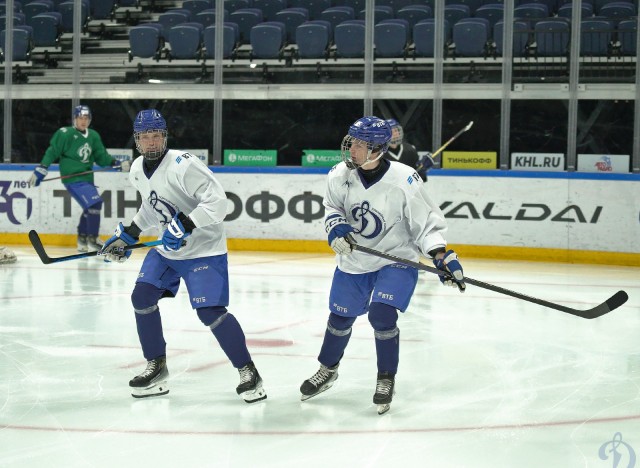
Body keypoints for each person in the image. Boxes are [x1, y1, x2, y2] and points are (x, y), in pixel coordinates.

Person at [98, 109, 267, 403]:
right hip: (167, 251)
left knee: (209, 312)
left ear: (164, 136)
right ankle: (157, 367)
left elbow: (219, 203)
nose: (151, 142)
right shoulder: (137, 169)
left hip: (203, 250)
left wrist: (186, 223)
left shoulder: (183, 164)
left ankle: (248, 371)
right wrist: (131, 233)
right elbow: (153, 207)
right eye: (145, 137)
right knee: (142, 297)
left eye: (156, 136)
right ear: (137, 140)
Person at [299, 116, 465, 415]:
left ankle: (385, 377)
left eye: (360, 145)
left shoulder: (405, 179)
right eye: (351, 142)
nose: (352, 149)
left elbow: (426, 225)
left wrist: (440, 255)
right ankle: (328, 369)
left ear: (377, 149)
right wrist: (335, 227)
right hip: (355, 260)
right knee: (339, 319)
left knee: (382, 315)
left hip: (396, 259)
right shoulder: (339, 174)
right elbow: (331, 207)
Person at [27, 105, 131, 252]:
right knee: (95, 203)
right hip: (72, 179)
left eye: (86, 118)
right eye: (80, 118)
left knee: (90, 206)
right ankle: (93, 239)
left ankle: (82, 238)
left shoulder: (93, 136)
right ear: (74, 118)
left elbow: (101, 157)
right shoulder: (65, 134)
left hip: (87, 179)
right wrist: (42, 168)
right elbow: (52, 151)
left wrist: (116, 163)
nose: (83, 121)